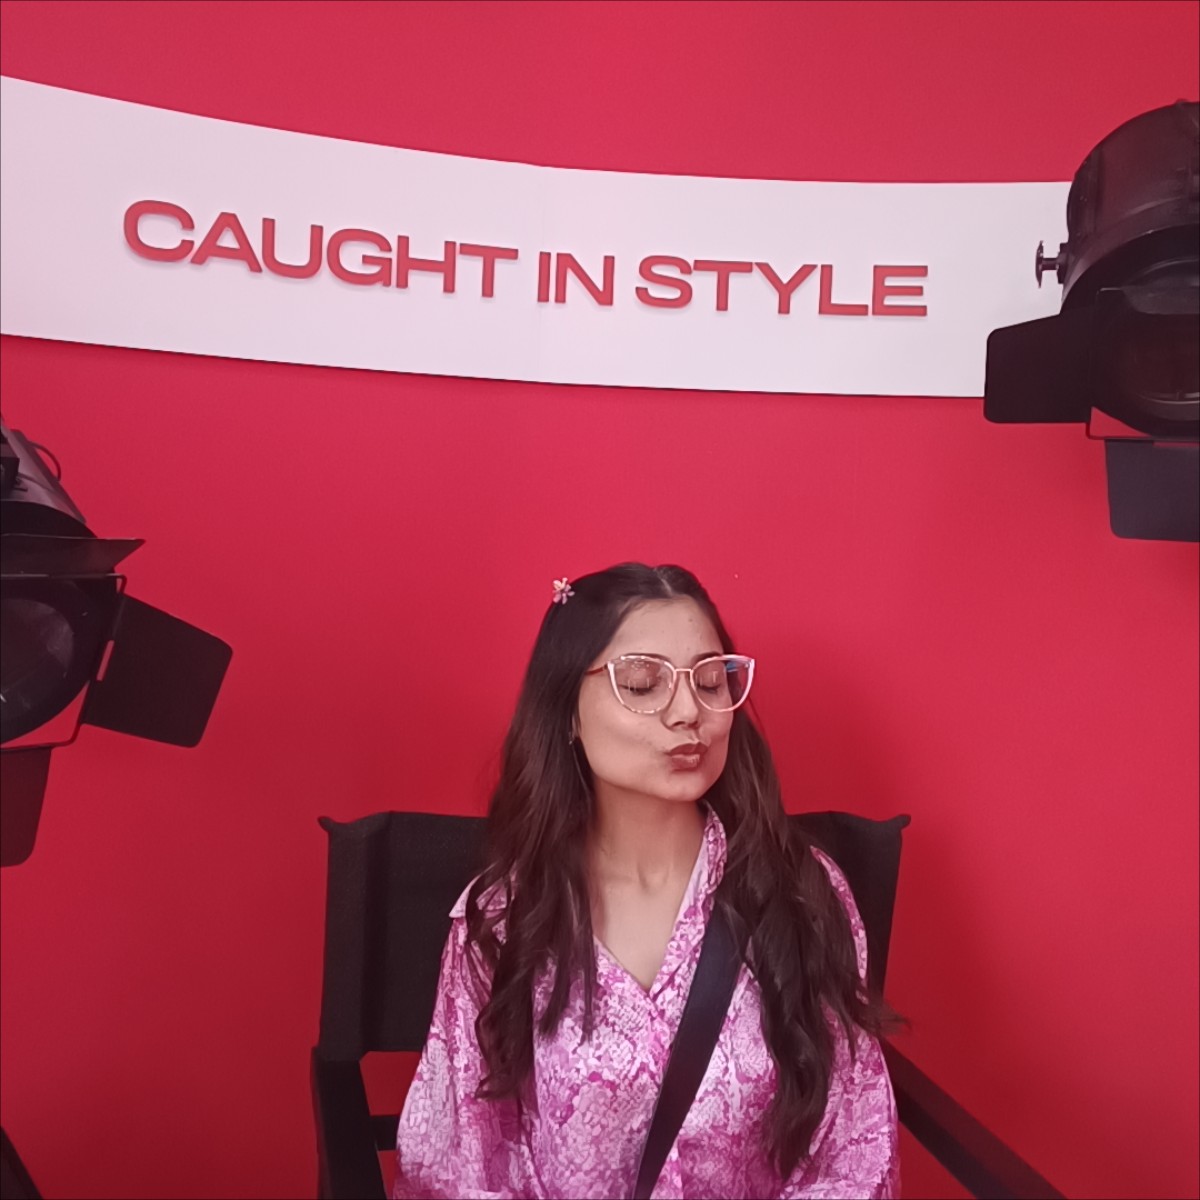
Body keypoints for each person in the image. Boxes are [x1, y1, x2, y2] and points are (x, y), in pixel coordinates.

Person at [393, 563, 900, 1199]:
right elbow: (452, 1167)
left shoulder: (802, 893)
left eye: (710, 681)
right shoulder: (504, 919)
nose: (689, 712)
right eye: (641, 682)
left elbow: (857, 1152)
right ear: (566, 711)